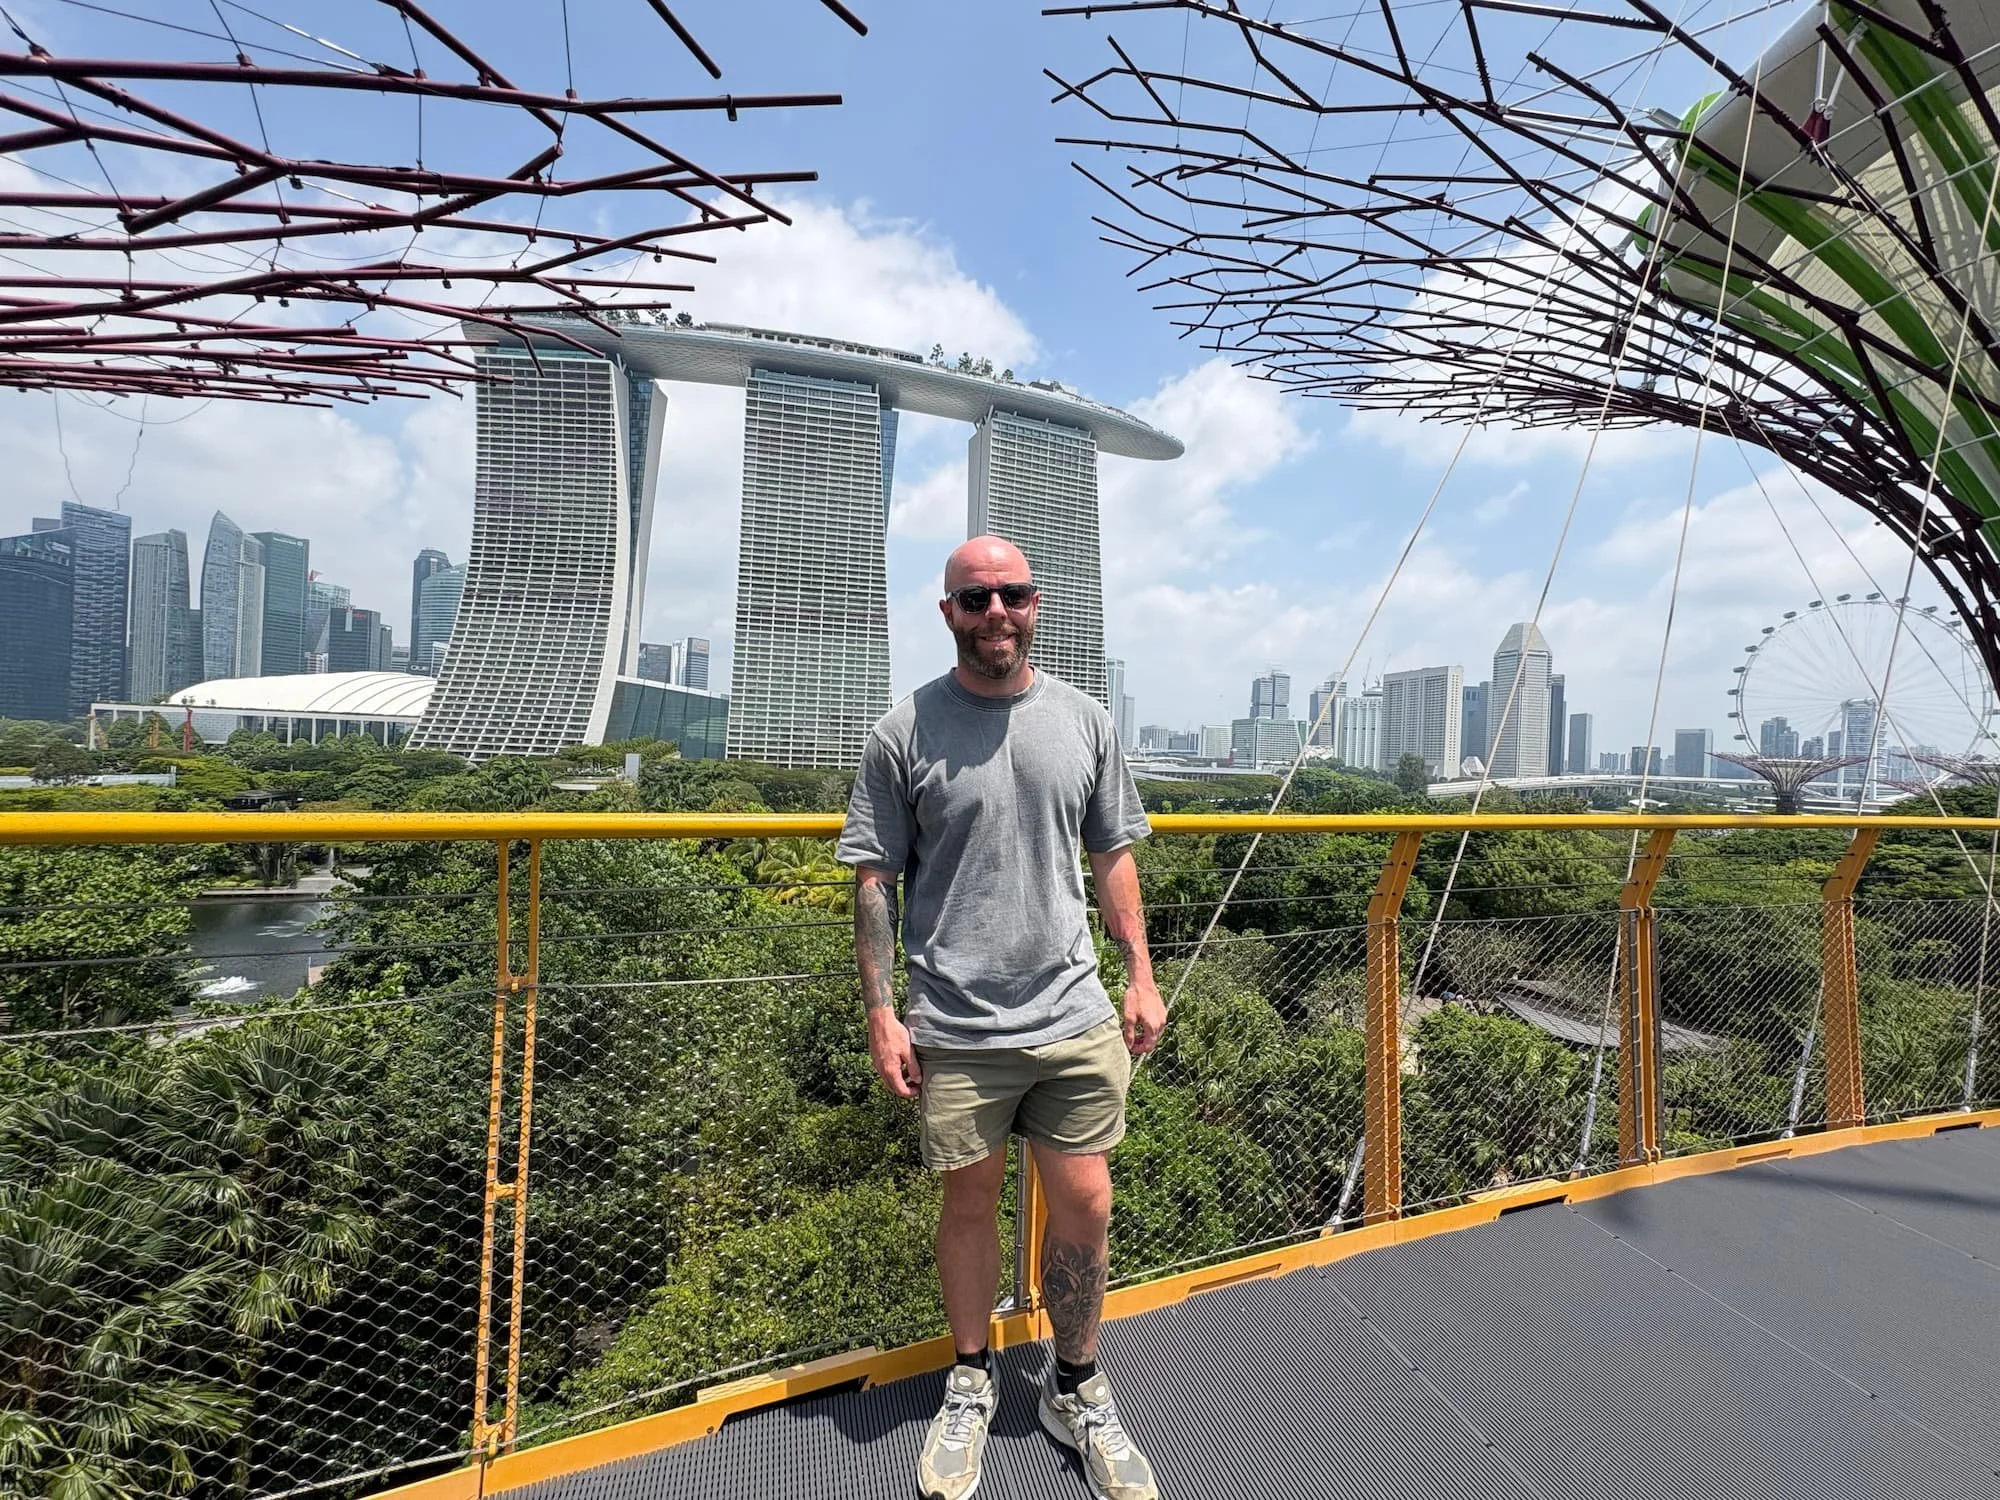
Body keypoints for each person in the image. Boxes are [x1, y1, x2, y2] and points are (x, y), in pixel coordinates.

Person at [837, 536, 1164, 1500]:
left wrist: (1140, 973)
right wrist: (882, 1013)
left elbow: (1114, 855)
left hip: (1072, 1009)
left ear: (1036, 604)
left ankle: (1076, 1383)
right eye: (974, 599)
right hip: (957, 1021)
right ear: (947, 613)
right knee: (969, 1203)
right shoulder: (904, 732)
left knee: (1088, 1201)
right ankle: (973, 1377)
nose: (995, 614)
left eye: (1011, 595)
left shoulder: (1085, 720)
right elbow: (873, 879)